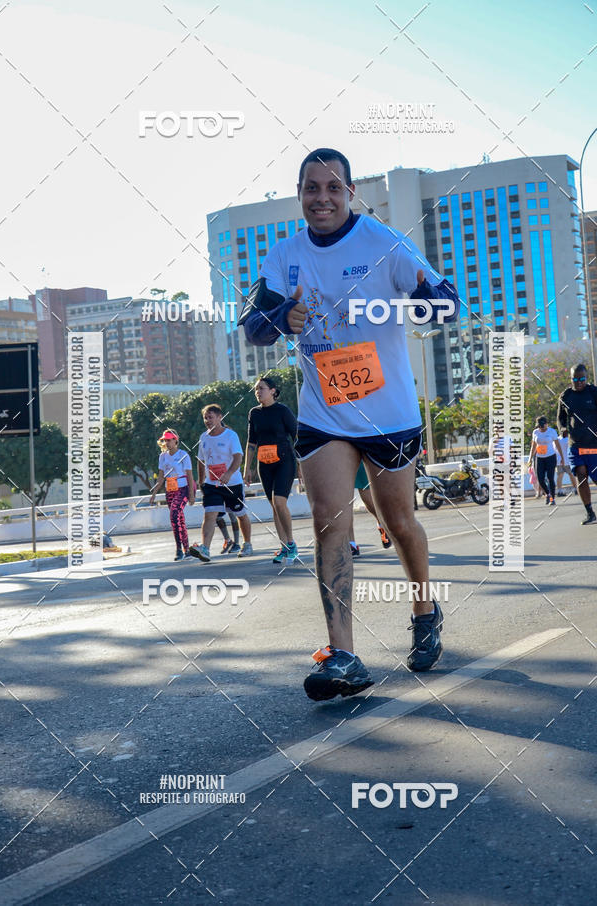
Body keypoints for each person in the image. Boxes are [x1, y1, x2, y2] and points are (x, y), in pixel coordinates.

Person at [240, 147, 461, 700]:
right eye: (312, 188)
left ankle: (424, 609)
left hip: (387, 413)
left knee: (400, 520)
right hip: (322, 413)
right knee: (326, 519)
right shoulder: (284, 254)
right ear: (300, 194)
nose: (322, 198)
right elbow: (254, 328)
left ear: (350, 193)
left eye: (333, 188)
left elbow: (448, 303)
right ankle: (343, 654)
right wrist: (279, 317)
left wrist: (417, 303)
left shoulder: (384, 243)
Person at [243, 375, 299, 564]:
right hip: (264, 464)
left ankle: (291, 544)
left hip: (285, 461)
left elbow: (296, 437)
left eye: (262, 388)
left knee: (280, 502)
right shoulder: (254, 413)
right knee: (274, 507)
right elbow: (251, 442)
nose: (258, 392)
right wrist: (247, 468)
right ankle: (283, 547)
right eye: (256, 389)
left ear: (273, 391)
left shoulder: (282, 411)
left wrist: (301, 465)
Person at [189, 405, 253, 561]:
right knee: (209, 514)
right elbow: (200, 460)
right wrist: (201, 479)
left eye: (211, 417)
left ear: (220, 417)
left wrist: (229, 473)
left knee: (240, 514)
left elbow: (238, 457)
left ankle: (247, 544)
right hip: (212, 484)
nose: (208, 421)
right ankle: (205, 549)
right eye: (205, 417)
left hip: (232, 484)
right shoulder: (203, 437)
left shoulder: (231, 436)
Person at [557, 363, 597, 525]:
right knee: (581, 476)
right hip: (576, 445)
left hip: (593, 444)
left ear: (586, 378)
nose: (579, 382)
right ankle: (590, 513)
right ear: (571, 378)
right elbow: (560, 419)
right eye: (575, 379)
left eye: (582, 379)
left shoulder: (593, 392)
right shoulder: (565, 396)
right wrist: (563, 429)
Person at [149, 429, 194, 560]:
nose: (167, 442)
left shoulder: (183, 455)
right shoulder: (162, 456)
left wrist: (191, 494)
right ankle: (184, 549)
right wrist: (154, 494)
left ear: (176, 440)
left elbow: (190, 476)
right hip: (169, 491)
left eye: (169, 440)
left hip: (182, 489)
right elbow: (161, 478)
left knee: (174, 514)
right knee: (178, 520)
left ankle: (180, 550)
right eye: (165, 440)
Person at [349, 461, 391, 556]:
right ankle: (351, 545)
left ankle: (383, 524)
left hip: (358, 453)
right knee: (344, 505)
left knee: (368, 500)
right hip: (338, 454)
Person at [527, 417, 563, 506]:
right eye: (540, 426)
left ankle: (552, 498)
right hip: (539, 458)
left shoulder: (552, 431)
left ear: (547, 424)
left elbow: (558, 445)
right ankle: (548, 494)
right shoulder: (535, 432)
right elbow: (533, 446)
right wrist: (530, 459)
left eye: (543, 426)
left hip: (550, 457)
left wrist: (562, 457)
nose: (542, 428)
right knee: (540, 479)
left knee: (550, 478)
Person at [555, 428, 577, 497]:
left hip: (559, 460)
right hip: (567, 460)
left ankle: (559, 491)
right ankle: (576, 489)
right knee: (571, 475)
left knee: (560, 476)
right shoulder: (568, 440)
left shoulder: (556, 439)